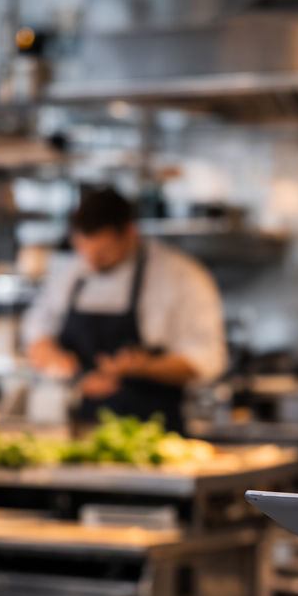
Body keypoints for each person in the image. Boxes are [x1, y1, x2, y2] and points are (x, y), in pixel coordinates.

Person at [23, 186, 226, 433]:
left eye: (103, 252)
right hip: (78, 431)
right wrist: (65, 369)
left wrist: (144, 367)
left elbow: (207, 358)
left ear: (130, 233)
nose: (92, 262)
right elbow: (37, 334)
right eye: (83, 249)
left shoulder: (181, 276)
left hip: (154, 434)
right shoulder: (71, 273)